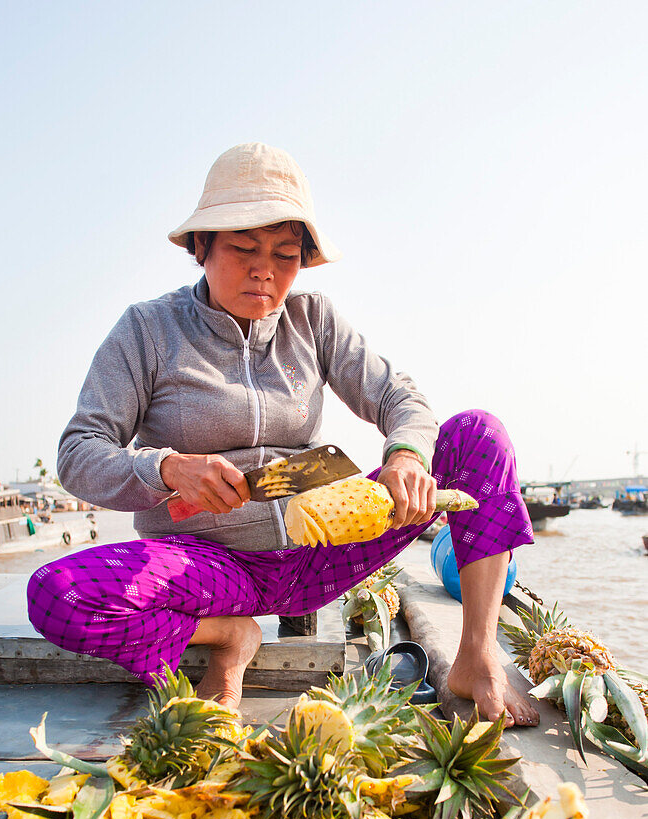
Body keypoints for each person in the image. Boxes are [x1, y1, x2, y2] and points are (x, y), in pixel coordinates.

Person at [27, 143, 538, 727]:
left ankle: (475, 655)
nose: (264, 270)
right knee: (57, 594)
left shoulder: (313, 320)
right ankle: (228, 637)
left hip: (324, 549)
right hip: (211, 565)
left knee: (479, 435)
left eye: (285, 255)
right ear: (202, 247)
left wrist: (404, 455)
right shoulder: (146, 331)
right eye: (243, 249)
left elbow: (402, 397)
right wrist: (166, 468)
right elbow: (79, 452)